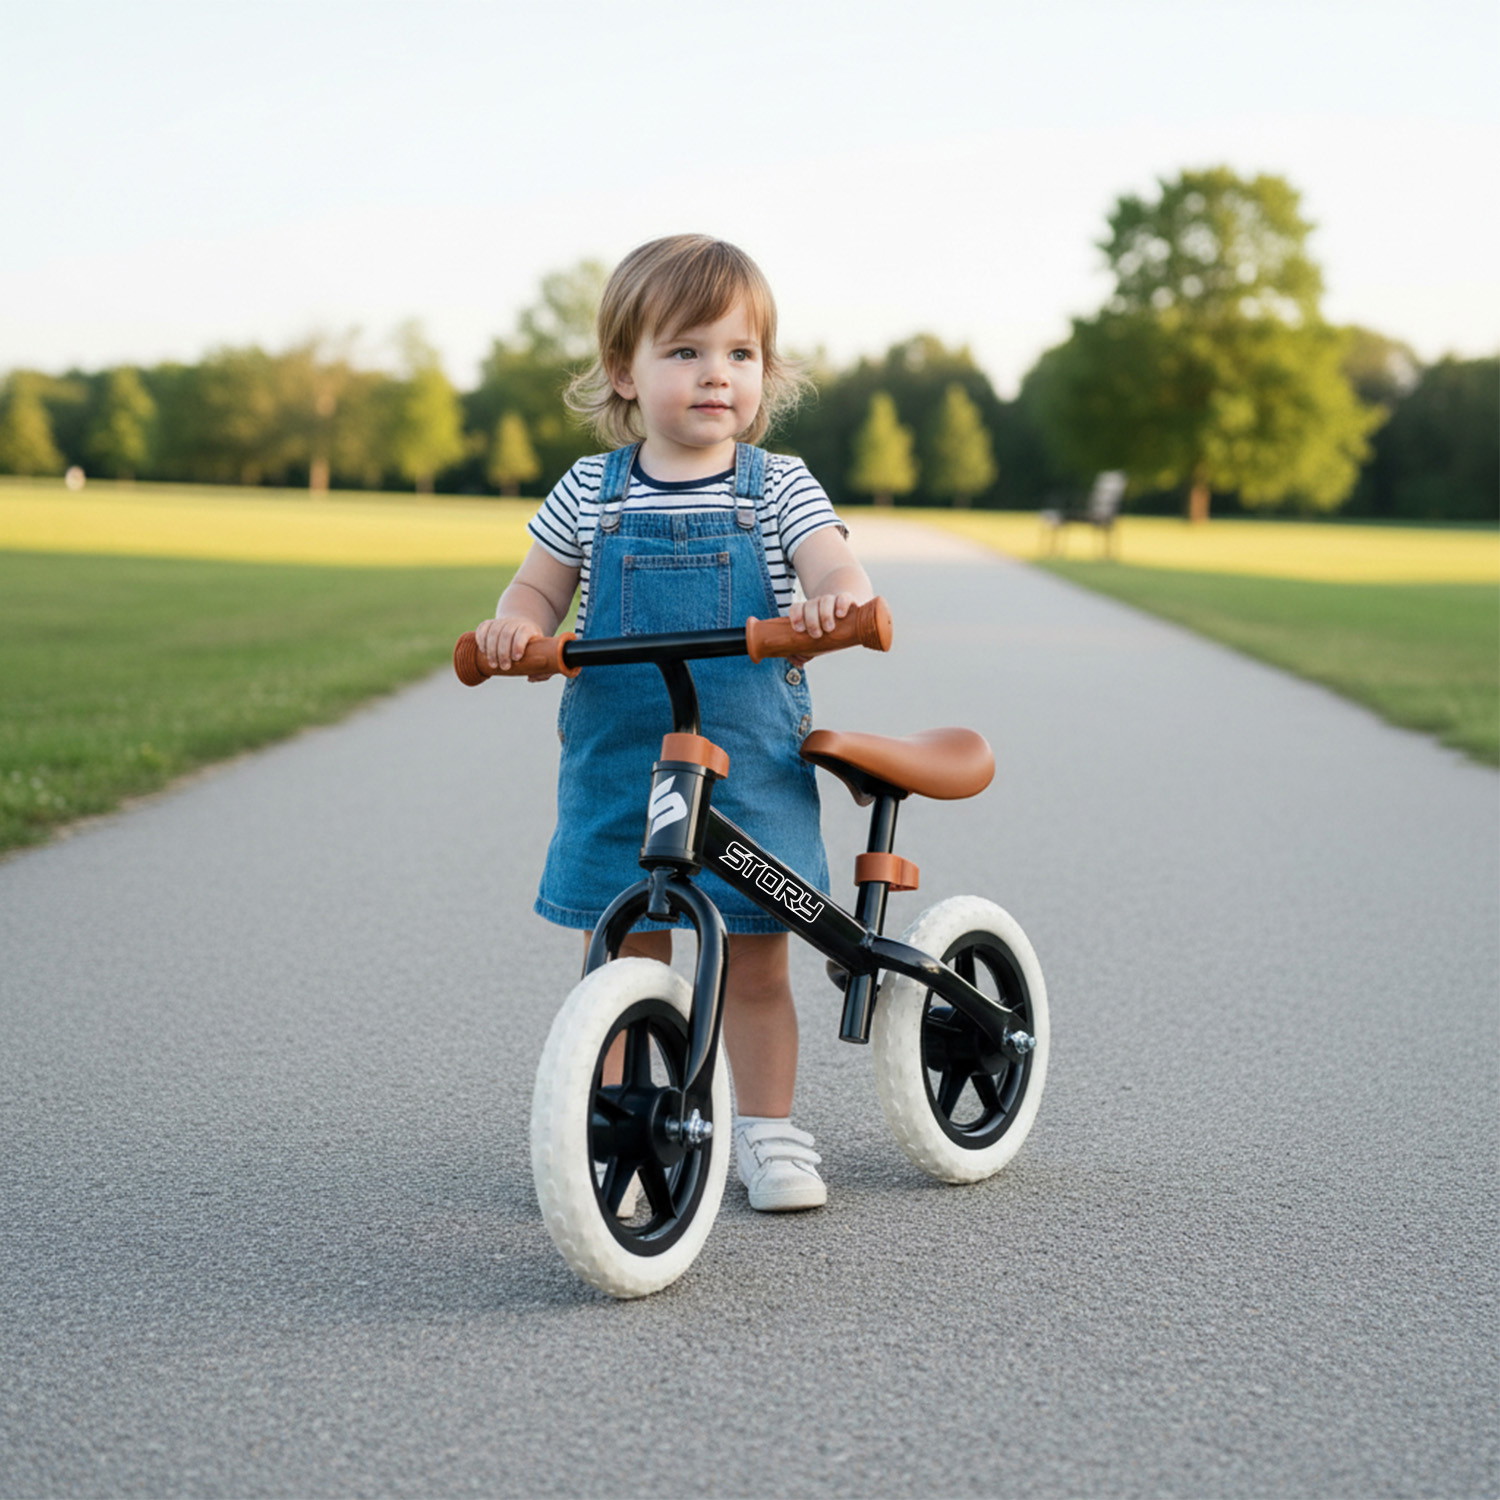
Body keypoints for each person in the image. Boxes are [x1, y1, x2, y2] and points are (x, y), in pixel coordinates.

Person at [472, 234, 873, 1212]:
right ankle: (614, 1130)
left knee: (756, 959)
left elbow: (836, 571)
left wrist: (833, 605)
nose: (715, 376)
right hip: (621, 763)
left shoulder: (778, 487)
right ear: (625, 369)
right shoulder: (589, 492)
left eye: (739, 354)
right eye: (685, 352)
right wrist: (515, 630)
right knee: (621, 952)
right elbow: (535, 588)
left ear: (764, 372)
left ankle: (770, 1133)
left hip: (749, 763)